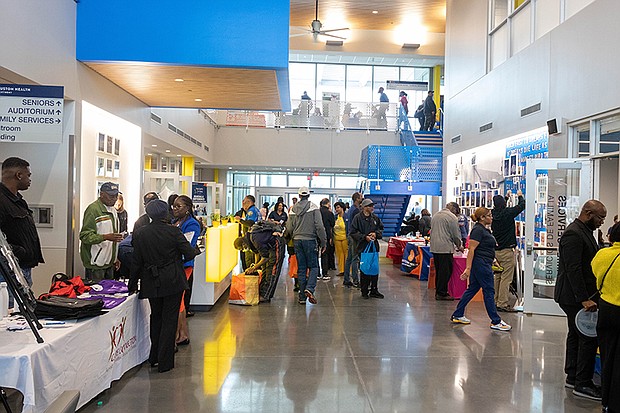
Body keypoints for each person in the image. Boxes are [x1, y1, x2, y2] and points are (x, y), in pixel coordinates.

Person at [129, 199, 197, 373]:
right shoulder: (173, 232)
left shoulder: (141, 233)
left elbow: (136, 262)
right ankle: (165, 361)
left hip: (151, 281)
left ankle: (154, 357)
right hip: (173, 280)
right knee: (169, 319)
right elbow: (189, 252)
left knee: (156, 317)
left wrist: (132, 285)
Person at [555, 199, 606, 400]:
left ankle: (573, 375)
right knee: (587, 337)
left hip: (578, 295)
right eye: (600, 217)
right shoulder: (573, 234)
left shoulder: (585, 232)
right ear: (588, 213)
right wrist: (583, 298)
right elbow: (572, 268)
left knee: (576, 335)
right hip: (574, 296)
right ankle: (582, 383)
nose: (602, 221)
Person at [451, 207, 511, 331]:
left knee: (473, 289)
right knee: (489, 291)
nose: (492, 217)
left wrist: (493, 259)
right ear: (482, 217)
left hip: (484, 262)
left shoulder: (484, 230)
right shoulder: (478, 230)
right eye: (489, 215)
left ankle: (458, 314)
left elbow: (486, 248)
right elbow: (471, 250)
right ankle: (496, 321)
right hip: (481, 264)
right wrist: (468, 268)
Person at [0, 157, 44, 305]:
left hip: (22, 269)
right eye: (28, 175)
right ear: (19, 175)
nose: (29, 179)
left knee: (21, 313)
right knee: (9, 315)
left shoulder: (17, 200)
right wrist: (19, 252)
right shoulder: (1, 201)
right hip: (7, 272)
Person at [593, 222, 620, 413]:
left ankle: (606, 401)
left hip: (606, 309)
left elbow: (595, 272)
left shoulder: (602, 255)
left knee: (607, 355)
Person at [283, 186, 326, 305]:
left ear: (299, 196)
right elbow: (320, 226)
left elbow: (289, 228)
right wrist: (323, 242)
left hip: (297, 241)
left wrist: (291, 237)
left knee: (301, 268)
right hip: (310, 240)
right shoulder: (313, 207)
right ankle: (310, 288)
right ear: (308, 195)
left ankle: (302, 297)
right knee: (314, 267)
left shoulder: (292, 209)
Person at [171, 195, 201, 344]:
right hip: (175, 264)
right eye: (174, 206)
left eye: (178, 206)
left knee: (179, 298)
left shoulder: (192, 224)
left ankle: (180, 334)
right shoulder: (174, 222)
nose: (175, 209)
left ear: (187, 208)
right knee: (180, 299)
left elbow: (187, 246)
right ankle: (182, 333)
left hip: (185, 265)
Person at [79, 182, 123, 282]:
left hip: (109, 264)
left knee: (109, 296)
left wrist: (114, 257)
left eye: (116, 195)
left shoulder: (113, 210)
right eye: (111, 196)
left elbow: (113, 238)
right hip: (95, 265)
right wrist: (105, 237)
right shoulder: (93, 210)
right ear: (101, 194)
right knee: (96, 296)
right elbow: (85, 236)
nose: (114, 198)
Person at [234, 220, 285, 303]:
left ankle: (266, 295)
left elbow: (265, 258)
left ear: (243, 244)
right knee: (264, 268)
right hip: (269, 246)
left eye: (242, 249)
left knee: (272, 269)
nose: (244, 250)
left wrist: (255, 267)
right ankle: (262, 292)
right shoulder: (250, 237)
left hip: (276, 244)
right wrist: (255, 266)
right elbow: (258, 252)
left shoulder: (255, 240)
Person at [491, 189, 525, 313]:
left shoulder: (493, 214)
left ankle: (495, 301)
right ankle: (503, 303)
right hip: (506, 251)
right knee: (506, 278)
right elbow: (521, 206)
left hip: (496, 251)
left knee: (498, 277)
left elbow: (500, 207)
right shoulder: (508, 213)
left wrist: (505, 198)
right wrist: (520, 196)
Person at [350, 198, 384, 299]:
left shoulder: (375, 218)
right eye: (370, 206)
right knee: (364, 269)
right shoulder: (357, 218)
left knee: (374, 268)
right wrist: (364, 237)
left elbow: (381, 229)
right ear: (364, 207)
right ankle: (364, 291)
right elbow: (353, 232)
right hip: (363, 248)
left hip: (373, 248)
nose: (372, 208)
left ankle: (374, 290)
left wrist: (375, 234)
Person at [430, 202, 463, 300]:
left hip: (435, 247)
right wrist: (459, 246)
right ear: (455, 210)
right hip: (445, 248)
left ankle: (438, 290)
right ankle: (442, 293)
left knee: (439, 270)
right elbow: (455, 235)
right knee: (446, 271)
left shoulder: (436, 215)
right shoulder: (452, 218)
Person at [235, 195, 262, 269]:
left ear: (249, 202)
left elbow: (250, 223)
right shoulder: (256, 209)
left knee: (250, 261)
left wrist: (240, 220)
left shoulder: (251, 211)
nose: (243, 203)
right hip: (256, 238)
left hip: (252, 239)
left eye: (244, 202)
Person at [343, 192, 363, 288]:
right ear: (357, 199)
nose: (362, 198)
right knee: (355, 258)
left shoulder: (351, 209)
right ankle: (356, 280)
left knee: (349, 258)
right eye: (361, 197)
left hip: (350, 235)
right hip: (354, 236)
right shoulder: (356, 210)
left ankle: (346, 279)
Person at [319, 198, 335, 280]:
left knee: (316, 254)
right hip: (327, 235)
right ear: (328, 204)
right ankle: (324, 273)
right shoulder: (329, 213)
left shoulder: (317, 212)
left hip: (317, 235)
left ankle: (317, 273)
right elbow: (332, 224)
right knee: (325, 254)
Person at [333, 201, 348, 276]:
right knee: (339, 255)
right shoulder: (335, 217)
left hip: (345, 238)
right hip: (337, 238)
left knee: (347, 254)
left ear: (342, 208)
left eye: (338, 207)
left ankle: (348, 270)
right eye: (336, 208)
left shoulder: (347, 217)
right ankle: (341, 270)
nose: (336, 209)